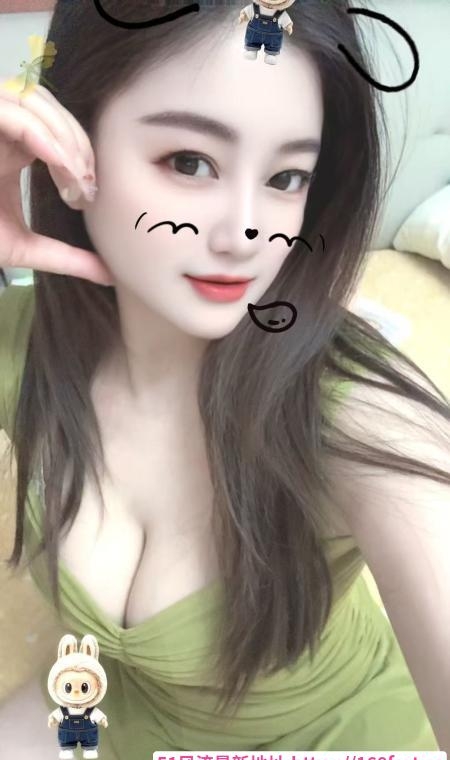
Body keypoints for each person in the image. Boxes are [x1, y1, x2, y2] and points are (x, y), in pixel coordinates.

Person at [0, 1, 449, 758]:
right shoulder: (28, 340)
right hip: (111, 702)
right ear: (69, 146)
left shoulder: (360, 414)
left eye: (286, 177)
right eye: (189, 162)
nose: (247, 233)